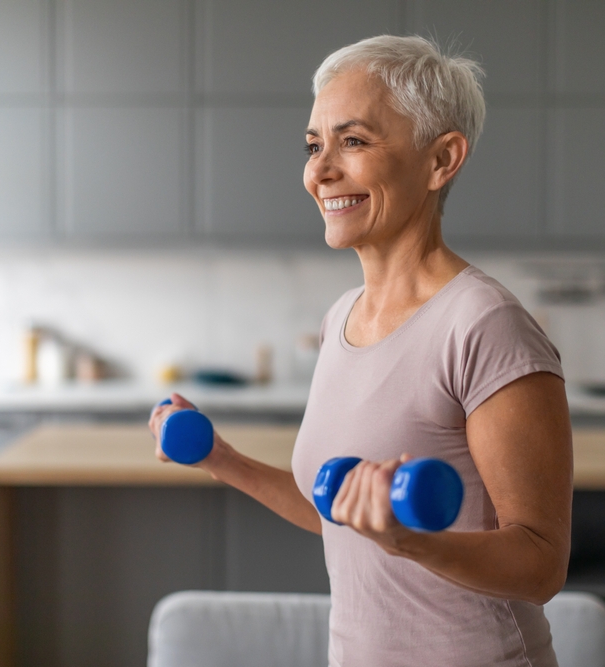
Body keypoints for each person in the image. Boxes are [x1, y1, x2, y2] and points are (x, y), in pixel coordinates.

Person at [150, 35, 572, 667]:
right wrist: (222, 458)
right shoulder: (342, 317)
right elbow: (340, 514)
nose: (319, 171)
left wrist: (412, 541)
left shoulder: (484, 324)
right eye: (314, 145)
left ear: (441, 160)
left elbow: (541, 564)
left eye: (353, 141)